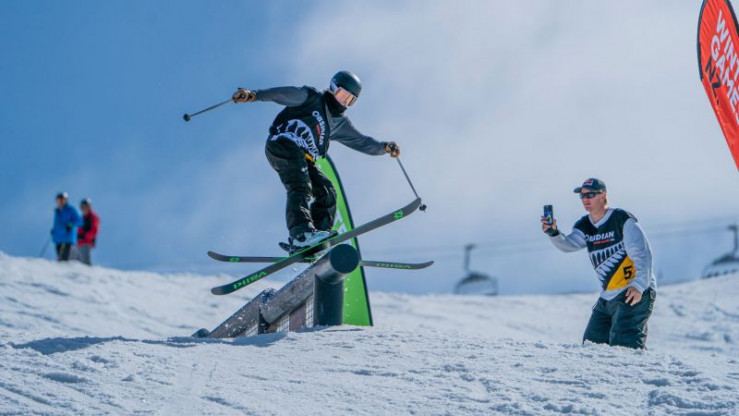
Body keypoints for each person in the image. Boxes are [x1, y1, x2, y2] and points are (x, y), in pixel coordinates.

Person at [232, 70, 401, 250]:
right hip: (284, 143)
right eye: (342, 95)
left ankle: (317, 240)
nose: (343, 102)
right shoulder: (311, 98)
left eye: (349, 100)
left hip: (304, 159)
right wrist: (254, 95)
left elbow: (362, 142)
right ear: (333, 88)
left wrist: (384, 147)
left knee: (327, 191)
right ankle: (301, 234)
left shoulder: (339, 123)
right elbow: (283, 94)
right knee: (300, 185)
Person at [541, 178, 657, 349]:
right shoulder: (584, 225)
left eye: (590, 195)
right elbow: (568, 245)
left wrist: (639, 286)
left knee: (625, 345)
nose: (585, 199)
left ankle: (641, 367)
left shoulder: (622, 219)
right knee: (592, 346)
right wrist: (553, 232)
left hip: (633, 290)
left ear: (603, 196)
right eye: (582, 195)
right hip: (608, 295)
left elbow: (643, 254)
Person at [51, 192, 82, 262]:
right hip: (58, 238)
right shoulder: (57, 211)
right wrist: (54, 230)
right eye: (59, 200)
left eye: (62, 199)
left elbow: (79, 221)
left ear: (66, 200)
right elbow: (57, 224)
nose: (60, 201)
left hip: (67, 238)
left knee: (64, 258)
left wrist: (71, 224)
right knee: (59, 258)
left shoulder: (70, 209)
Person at [76, 198, 100, 265]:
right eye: (82, 207)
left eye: (85, 206)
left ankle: (89, 271)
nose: (84, 208)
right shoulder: (82, 218)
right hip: (79, 243)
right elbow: (79, 230)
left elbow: (94, 231)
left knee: (86, 262)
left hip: (87, 242)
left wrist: (84, 236)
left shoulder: (93, 217)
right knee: (78, 262)